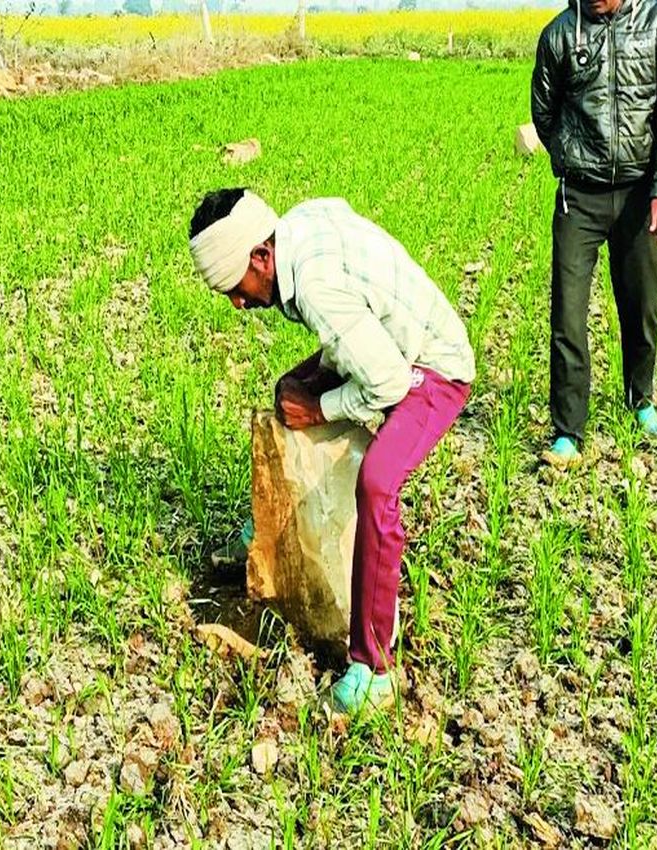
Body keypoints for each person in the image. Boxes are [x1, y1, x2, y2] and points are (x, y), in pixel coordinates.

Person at [188, 189, 476, 714]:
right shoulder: (294, 231)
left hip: (433, 368)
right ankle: (272, 536)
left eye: (235, 287)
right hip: (383, 343)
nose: (236, 302)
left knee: (379, 481)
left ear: (261, 256)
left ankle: (374, 669)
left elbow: (388, 382)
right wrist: (311, 394)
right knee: (288, 392)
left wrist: (321, 409)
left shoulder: (314, 286)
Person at [530, 0, 657, 467]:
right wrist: (571, 157)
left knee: (641, 304)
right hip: (579, 196)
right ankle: (568, 431)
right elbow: (544, 111)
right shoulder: (560, 35)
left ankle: (641, 400)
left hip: (641, 193)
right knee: (568, 313)